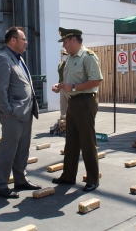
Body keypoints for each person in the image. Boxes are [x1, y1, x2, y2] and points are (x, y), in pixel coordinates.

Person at [51, 27, 103, 192]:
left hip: (85, 101)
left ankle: (93, 179)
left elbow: (96, 81)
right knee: (71, 140)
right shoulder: (70, 59)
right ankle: (68, 176)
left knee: (87, 141)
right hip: (73, 102)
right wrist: (60, 86)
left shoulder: (88, 57)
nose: (64, 46)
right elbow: (69, 81)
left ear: (74, 40)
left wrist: (72, 87)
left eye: (65, 42)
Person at [0, 26, 41, 199]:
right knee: (8, 151)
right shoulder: (3, 59)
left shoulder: (18, 59)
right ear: (13, 40)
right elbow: (0, 89)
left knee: (22, 150)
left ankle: (20, 179)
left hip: (25, 114)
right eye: (24, 39)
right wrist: (7, 111)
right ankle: (0, 185)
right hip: (13, 115)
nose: (26, 42)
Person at [58, 50, 68, 116]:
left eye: (66, 54)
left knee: (70, 103)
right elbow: (60, 75)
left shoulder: (70, 64)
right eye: (63, 54)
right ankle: (63, 118)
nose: (64, 56)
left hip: (69, 84)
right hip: (62, 84)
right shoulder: (60, 65)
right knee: (63, 103)